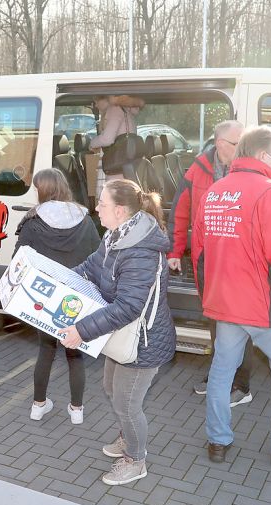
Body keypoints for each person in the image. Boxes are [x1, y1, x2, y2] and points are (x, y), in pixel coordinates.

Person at [193, 125, 271, 467]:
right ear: (264, 155)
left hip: (226, 305)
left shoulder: (216, 192)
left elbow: (200, 254)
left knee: (221, 372)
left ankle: (217, 442)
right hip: (267, 311)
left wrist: (210, 298)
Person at [59, 179, 176, 486]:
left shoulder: (139, 250)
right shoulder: (117, 236)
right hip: (123, 336)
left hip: (143, 341)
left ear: (121, 210)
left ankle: (136, 460)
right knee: (112, 389)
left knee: (127, 403)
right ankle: (128, 437)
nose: (96, 208)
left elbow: (128, 307)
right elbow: (93, 266)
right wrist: (61, 282)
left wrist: (82, 331)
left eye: (102, 204)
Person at [168, 120, 254, 403]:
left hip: (240, 258)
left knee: (241, 321)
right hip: (207, 259)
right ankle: (220, 374)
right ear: (219, 143)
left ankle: (240, 385)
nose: (241, 148)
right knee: (215, 319)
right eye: (235, 143)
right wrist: (174, 251)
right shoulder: (197, 170)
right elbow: (180, 213)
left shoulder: (250, 168)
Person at [15, 169, 100, 424]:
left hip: (46, 297)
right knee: (75, 353)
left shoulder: (32, 222)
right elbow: (98, 257)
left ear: (41, 190)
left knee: (45, 350)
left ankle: (38, 406)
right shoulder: (85, 219)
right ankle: (76, 410)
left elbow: (18, 261)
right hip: (75, 298)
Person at [90, 95, 143, 193]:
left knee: (112, 196)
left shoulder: (114, 109)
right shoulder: (126, 111)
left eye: (96, 101)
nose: (96, 105)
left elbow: (107, 139)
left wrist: (92, 143)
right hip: (125, 163)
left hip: (116, 166)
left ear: (107, 99)